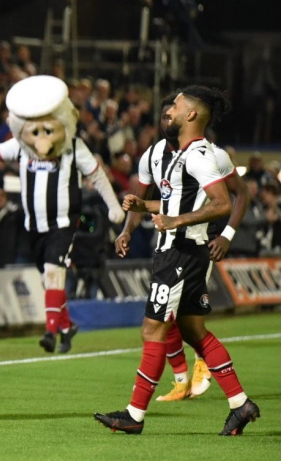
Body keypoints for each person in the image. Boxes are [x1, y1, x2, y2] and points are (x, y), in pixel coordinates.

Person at [95, 86, 260, 436]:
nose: (169, 109)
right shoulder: (166, 154)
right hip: (180, 251)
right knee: (193, 331)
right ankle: (240, 403)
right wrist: (144, 211)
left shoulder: (202, 155)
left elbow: (223, 203)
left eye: (177, 105)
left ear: (191, 116)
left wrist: (178, 222)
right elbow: (174, 201)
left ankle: (134, 415)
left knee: (152, 329)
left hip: (181, 252)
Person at [0, 76, 125, 353]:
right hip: (33, 225)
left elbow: (96, 175)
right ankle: (66, 326)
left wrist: (113, 205)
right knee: (48, 279)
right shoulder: (22, 146)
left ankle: (50, 332)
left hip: (62, 223)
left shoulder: (73, 146)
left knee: (52, 274)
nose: (41, 139)